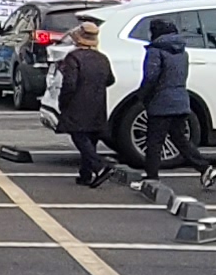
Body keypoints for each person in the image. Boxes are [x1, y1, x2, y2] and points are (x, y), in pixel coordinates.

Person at [54, 17, 117, 185]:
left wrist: (63, 102)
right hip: (98, 103)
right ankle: (85, 174)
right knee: (91, 138)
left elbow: (69, 84)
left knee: (79, 136)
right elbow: (110, 80)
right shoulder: (102, 58)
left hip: (78, 103)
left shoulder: (73, 58)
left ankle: (100, 166)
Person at [132, 18, 198, 176]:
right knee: (179, 138)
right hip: (181, 99)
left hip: (160, 101)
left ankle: (151, 176)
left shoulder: (155, 51)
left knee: (154, 141)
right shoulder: (183, 52)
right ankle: (204, 166)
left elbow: (151, 77)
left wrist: (142, 95)